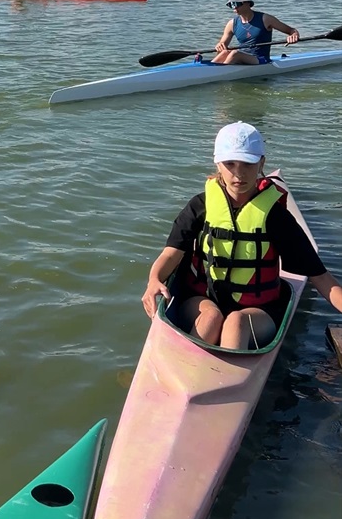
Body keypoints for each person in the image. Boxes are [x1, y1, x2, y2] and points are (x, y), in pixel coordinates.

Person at [141, 122, 342, 350]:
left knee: (235, 323)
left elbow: (322, 279)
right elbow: (171, 253)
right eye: (230, 164)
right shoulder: (200, 206)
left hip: (258, 312)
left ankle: (225, 377)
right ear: (217, 163)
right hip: (202, 300)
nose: (239, 173)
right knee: (211, 319)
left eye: (248, 163)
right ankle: (183, 369)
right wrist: (154, 280)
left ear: (261, 163)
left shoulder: (276, 218)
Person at [213, 0, 299, 65]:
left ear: (247, 3)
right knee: (225, 53)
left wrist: (294, 35)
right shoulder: (232, 24)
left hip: (261, 59)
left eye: (237, 4)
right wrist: (219, 45)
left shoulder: (265, 19)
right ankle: (211, 69)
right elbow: (222, 47)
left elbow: (291, 30)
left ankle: (217, 75)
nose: (234, 7)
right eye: (231, 4)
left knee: (235, 53)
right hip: (241, 57)